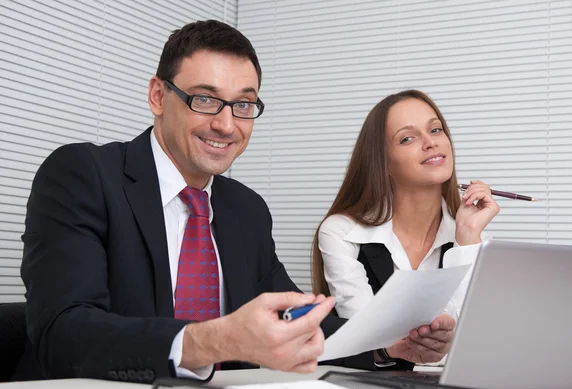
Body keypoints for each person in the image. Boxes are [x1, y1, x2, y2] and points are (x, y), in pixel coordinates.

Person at [15, 22, 453, 383]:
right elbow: (63, 332)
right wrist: (214, 340)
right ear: (157, 96)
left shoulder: (246, 208)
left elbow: (294, 317)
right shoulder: (83, 174)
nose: (226, 124)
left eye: (244, 105)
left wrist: (384, 344)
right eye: (205, 99)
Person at [312, 90, 500, 365]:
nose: (430, 143)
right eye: (408, 138)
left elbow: (473, 348)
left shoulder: (474, 241)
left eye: (435, 129)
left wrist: (467, 239)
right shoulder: (342, 232)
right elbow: (366, 339)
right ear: (383, 161)